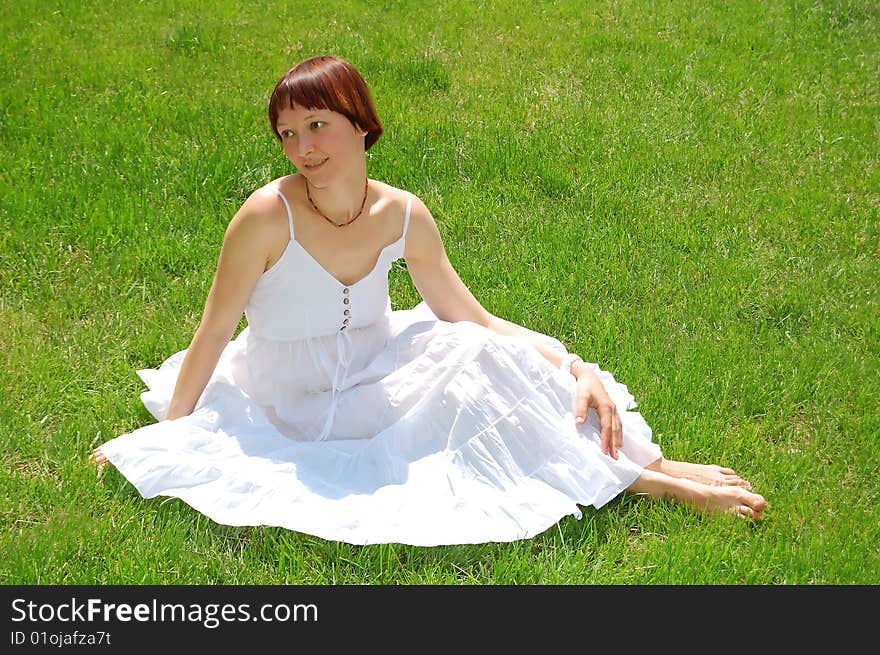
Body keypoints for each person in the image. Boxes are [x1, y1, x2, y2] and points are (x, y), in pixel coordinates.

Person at [91, 56, 766, 546]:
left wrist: (575, 365)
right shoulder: (265, 217)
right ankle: (653, 482)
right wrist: (166, 433)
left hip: (377, 362)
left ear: (362, 125)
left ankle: (649, 464)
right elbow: (212, 331)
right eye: (288, 134)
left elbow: (471, 316)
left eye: (318, 125)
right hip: (295, 398)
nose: (302, 148)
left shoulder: (403, 213)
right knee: (476, 390)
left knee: (487, 354)